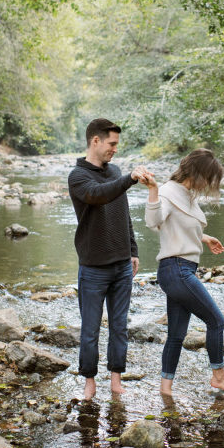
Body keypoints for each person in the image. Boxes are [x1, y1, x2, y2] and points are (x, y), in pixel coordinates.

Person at [142, 148, 224, 396]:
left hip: (179, 269)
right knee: (216, 321)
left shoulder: (188, 195)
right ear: (197, 173)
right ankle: (219, 376)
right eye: (209, 178)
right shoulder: (167, 191)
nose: (209, 184)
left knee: (176, 334)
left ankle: (165, 390)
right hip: (176, 269)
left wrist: (206, 238)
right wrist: (153, 190)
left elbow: (180, 227)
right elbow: (154, 221)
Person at [68, 118, 152, 399]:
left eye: (116, 144)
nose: (115, 149)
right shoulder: (78, 177)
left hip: (121, 266)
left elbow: (123, 213)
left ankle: (116, 381)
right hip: (93, 268)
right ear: (96, 141)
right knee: (90, 331)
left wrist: (133, 250)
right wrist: (128, 179)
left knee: (120, 327)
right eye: (112, 144)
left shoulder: (114, 171)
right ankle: (89, 383)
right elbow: (98, 195)